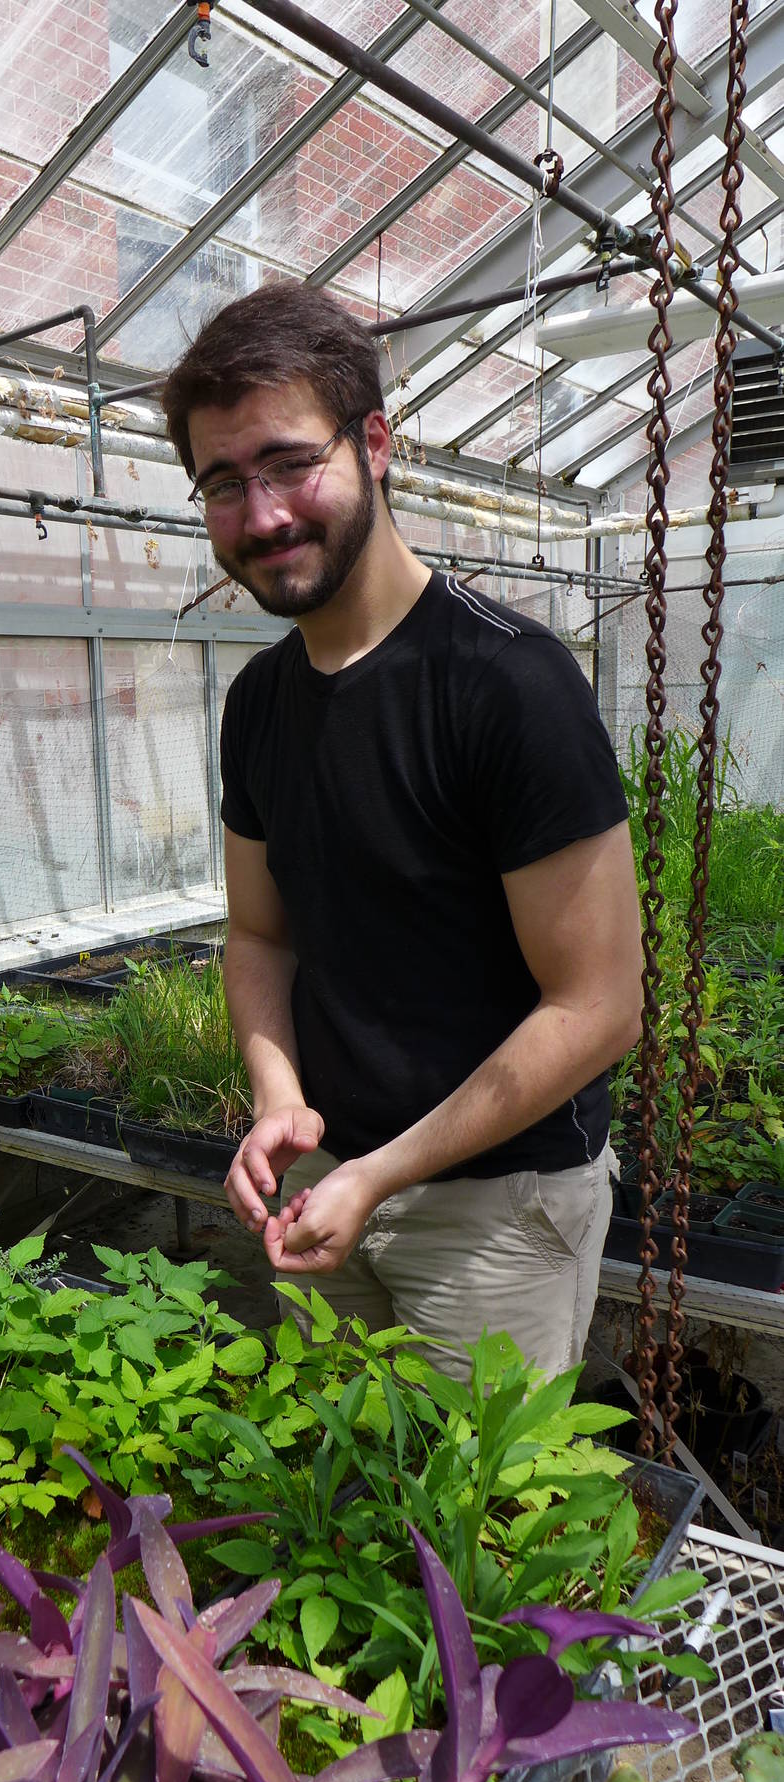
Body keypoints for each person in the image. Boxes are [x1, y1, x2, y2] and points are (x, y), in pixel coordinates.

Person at [160, 283, 642, 1378]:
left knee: (478, 1541)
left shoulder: (506, 682)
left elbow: (600, 1006)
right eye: (224, 483)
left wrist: (380, 1174)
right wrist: (283, 1107)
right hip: (323, 1180)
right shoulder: (262, 704)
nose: (265, 513)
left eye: (290, 462)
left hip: (496, 1211)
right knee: (344, 1519)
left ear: (375, 443)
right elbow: (261, 936)